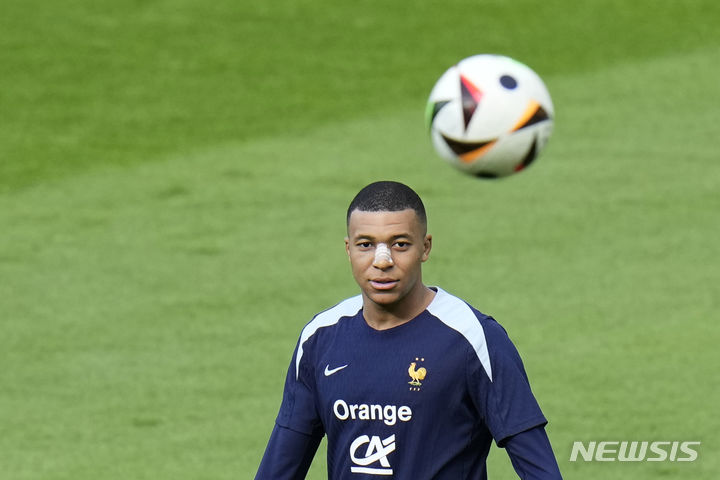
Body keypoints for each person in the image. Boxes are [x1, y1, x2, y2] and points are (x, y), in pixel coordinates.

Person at [255, 181, 563, 479]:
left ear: (425, 247)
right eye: (366, 245)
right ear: (348, 250)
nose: (382, 261)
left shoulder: (473, 338)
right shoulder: (320, 338)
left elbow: (539, 467)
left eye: (399, 244)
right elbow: (280, 468)